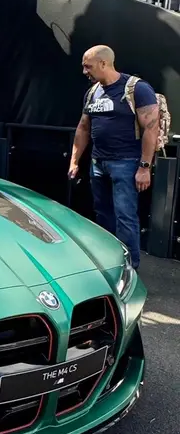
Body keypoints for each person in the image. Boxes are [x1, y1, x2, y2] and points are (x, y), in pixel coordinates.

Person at [68, 45, 159, 269]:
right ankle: (108, 263)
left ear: (104, 64)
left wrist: (144, 167)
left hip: (126, 163)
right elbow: (83, 127)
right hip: (99, 163)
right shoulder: (92, 92)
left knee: (125, 217)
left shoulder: (137, 88)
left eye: (87, 66)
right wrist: (75, 160)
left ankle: (129, 269)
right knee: (103, 215)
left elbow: (151, 129)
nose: (84, 72)